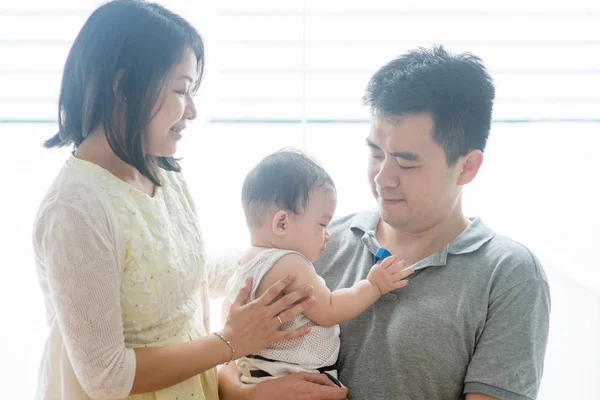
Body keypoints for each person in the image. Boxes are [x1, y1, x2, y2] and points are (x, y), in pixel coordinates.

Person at [218, 45, 551, 400]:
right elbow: (225, 358)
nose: (382, 177)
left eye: (406, 163)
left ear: (467, 166)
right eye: (376, 153)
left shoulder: (509, 274)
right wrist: (248, 394)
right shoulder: (315, 241)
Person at [32, 1, 314, 399]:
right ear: (123, 87)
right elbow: (107, 377)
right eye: (182, 90)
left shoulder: (161, 172)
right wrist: (232, 341)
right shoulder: (76, 209)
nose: (193, 111)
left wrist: (276, 258)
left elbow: (183, 279)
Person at [222, 150, 413, 387]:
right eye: (322, 224)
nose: (328, 235)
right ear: (282, 223)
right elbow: (329, 309)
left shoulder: (247, 263)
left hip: (258, 374)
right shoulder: (289, 263)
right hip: (290, 376)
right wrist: (373, 285)